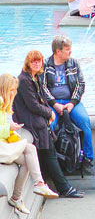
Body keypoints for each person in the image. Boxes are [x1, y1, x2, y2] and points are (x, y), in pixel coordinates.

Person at [13, 51, 84, 200]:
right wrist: (49, 113)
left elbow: (42, 99)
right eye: (34, 62)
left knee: (48, 152)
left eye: (39, 61)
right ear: (28, 63)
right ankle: (64, 188)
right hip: (31, 121)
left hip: (36, 119)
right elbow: (33, 105)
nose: (37, 64)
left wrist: (48, 113)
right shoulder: (24, 80)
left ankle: (57, 186)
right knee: (49, 153)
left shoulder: (35, 77)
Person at [0, 72, 58, 212]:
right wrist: (9, 128)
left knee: (28, 158)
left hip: (5, 145)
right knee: (30, 149)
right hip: (2, 146)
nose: (14, 93)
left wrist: (11, 129)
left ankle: (18, 196)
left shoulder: (6, 105)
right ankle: (36, 185)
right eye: (12, 90)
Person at [43, 35, 95, 175]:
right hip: (53, 103)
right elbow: (43, 87)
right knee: (50, 126)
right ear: (58, 51)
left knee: (85, 122)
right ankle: (52, 163)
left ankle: (88, 159)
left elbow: (80, 84)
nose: (70, 52)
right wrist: (54, 103)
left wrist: (72, 103)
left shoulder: (74, 63)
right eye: (67, 49)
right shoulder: (45, 64)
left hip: (71, 102)